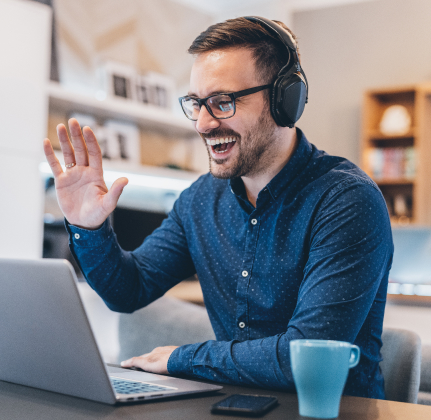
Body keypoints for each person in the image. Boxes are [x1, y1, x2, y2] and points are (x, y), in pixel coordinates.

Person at [43, 17, 393, 399]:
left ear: (284, 100)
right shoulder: (200, 200)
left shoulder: (347, 201)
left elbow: (304, 355)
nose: (204, 124)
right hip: (232, 406)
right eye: (196, 104)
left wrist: (182, 358)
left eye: (223, 102)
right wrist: (88, 228)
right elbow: (129, 290)